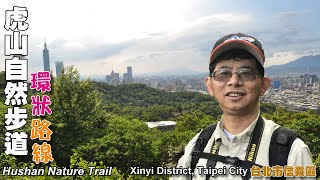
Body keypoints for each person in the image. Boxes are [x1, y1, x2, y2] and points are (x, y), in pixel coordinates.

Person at [170, 33, 315, 180]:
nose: (234, 81)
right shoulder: (199, 144)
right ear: (209, 85)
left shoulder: (290, 151)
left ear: (263, 85)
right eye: (223, 73)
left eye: (246, 73)